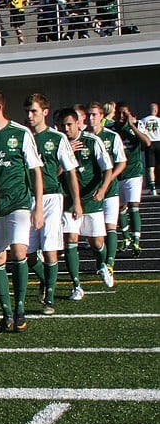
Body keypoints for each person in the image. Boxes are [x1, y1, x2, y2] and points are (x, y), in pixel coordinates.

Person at [0, 89, 44, 333]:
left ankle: (19, 308)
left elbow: (36, 171)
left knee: (18, 251)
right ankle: (5, 311)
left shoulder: (20, 133)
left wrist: (38, 207)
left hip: (19, 203)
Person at [24, 94, 81, 315]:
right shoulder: (22, 137)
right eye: (27, 111)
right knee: (26, 254)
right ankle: (45, 279)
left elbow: (69, 171)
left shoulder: (57, 138)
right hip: (27, 198)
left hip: (51, 198)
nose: (29, 116)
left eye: (34, 111)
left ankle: (49, 298)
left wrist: (76, 202)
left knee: (50, 248)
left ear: (45, 112)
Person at [56, 108, 114, 302]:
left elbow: (107, 168)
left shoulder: (92, 141)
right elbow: (51, 174)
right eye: (62, 125)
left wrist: (103, 189)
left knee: (96, 242)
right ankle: (77, 285)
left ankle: (102, 265)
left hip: (91, 199)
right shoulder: (57, 143)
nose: (66, 129)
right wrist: (66, 156)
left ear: (77, 123)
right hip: (68, 201)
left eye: (69, 124)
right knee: (71, 240)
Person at [88, 102, 126, 282]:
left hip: (110, 190)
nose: (91, 118)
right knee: (94, 239)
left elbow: (121, 162)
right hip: (89, 192)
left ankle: (109, 264)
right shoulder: (84, 138)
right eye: (88, 115)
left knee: (111, 226)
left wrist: (108, 180)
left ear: (102, 116)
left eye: (94, 115)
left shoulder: (112, 136)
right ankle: (101, 261)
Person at [112, 102, 151, 256]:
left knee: (134, 205)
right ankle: (126, 237)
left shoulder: (136, 127)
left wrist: (132, 126)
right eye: (119, 113)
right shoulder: (112, 129)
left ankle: (136, 239)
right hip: (118, 174)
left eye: (125, 114)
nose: (121, 117)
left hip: (134, 173)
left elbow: (147, 142)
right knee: (120, 208)